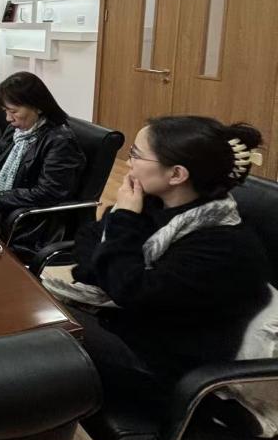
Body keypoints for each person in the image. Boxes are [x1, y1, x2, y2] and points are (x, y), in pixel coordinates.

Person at [62, 117, 270, 412]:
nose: (128, 163)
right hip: (125, 325)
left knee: (46, 333)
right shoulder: (152, 203)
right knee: (39, 319)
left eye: (136, 154)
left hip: (168, 369)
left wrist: (123, 223)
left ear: (176, 174)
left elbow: (128, 288)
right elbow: (88, 243)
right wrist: (111, 261)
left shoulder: (222, 244)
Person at [0, 71, 84, 235]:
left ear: (38, 107)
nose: (8, 118)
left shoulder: (60, 141)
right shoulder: (17, 130)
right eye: (5, 111)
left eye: (13, 111)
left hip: (21, 211)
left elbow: (48, 192)